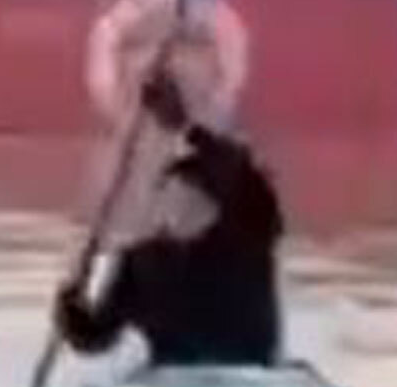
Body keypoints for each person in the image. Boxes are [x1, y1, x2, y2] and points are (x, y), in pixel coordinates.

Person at [55, 68, 285, 368]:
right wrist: (72, 311)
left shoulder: (247, 233)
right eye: (172, 196)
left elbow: (242, 180)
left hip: (249, 371)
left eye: (195, 197)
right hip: (175, 381)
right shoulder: (139, 263)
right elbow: (96, 336)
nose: (181, 207)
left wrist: (183, 126)